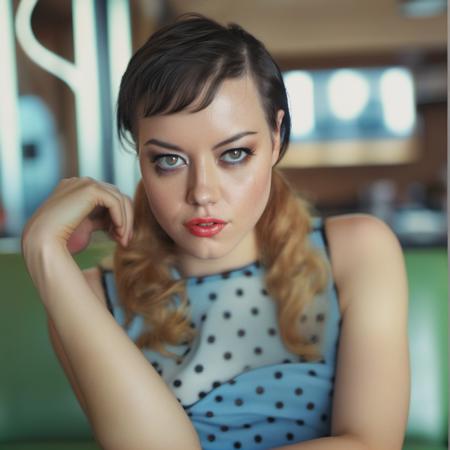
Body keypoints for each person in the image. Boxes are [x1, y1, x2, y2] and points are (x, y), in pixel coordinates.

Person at [21, 13, 410, 450]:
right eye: (169, 160)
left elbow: (372, 443)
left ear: (277, 137)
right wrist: (43, 251)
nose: (202, 193)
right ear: (140, 158)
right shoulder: (92, 299)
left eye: (235, 154)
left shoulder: (357, 251)